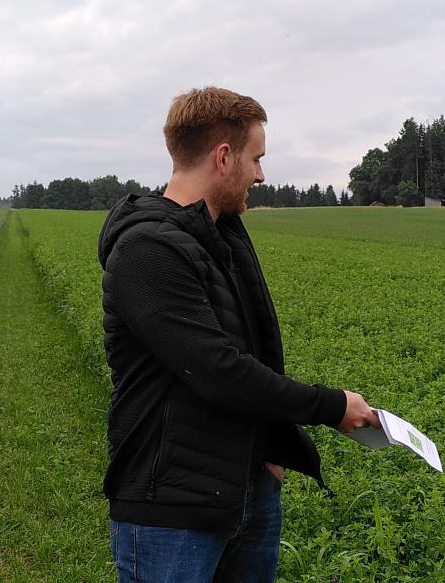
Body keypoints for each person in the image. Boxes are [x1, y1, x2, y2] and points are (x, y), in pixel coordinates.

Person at [97, 86, 380, 583]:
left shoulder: (221, 234)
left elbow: (257, 348)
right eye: (256, 158)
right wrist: (331, 407)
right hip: (173, 509)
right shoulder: (147, 250)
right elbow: (218, 370)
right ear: (224, 156)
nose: (261, 174)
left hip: (246, 486)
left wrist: (269, 453)